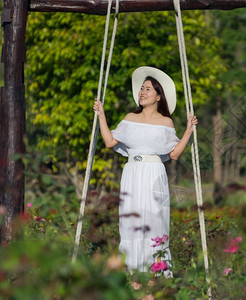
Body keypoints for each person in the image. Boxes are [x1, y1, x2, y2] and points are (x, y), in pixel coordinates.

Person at [93, 66, 198, 278]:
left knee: (154, 219)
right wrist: (101, 116)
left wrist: (188, 131)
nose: (142, 92)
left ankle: (156, 274)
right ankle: (132, 274)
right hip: (132, 172)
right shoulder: (130, 118)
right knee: (130, 221)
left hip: (153, 173)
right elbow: (109, 141)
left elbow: (174, 153)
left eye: (148, 89)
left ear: (159, 96)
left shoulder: (165, 122)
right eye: (141, 89)